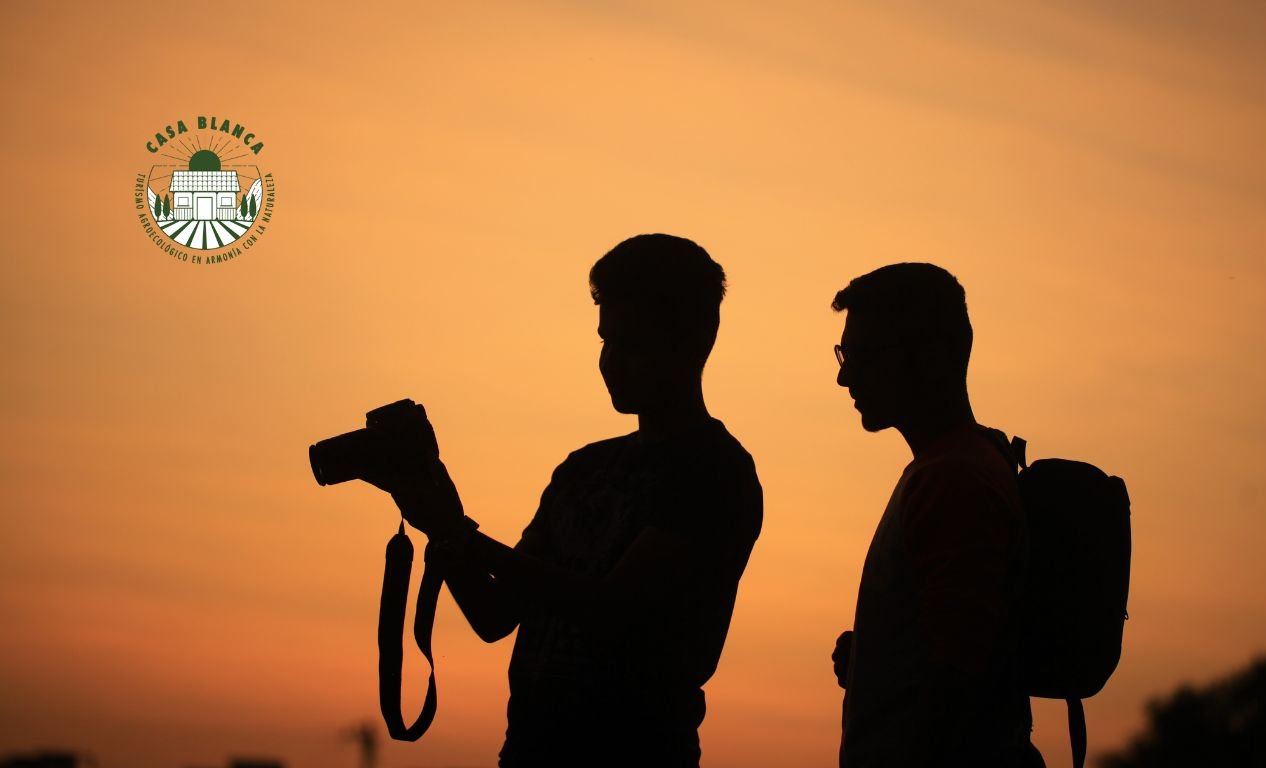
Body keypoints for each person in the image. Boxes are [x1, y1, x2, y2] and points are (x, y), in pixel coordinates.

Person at [363, 234, 763, 767]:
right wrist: (439, 519)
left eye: (632, 343)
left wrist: (461, 536)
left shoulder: (714, 470)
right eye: (606, 341)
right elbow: (495, 614)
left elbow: (611, 608)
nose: (611, 362)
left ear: (693, 340)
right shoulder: (584, 469)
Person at [829, 263, 1042, 767]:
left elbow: (957, 686)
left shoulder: (952, 482)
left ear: (933, 357)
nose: (843, 375)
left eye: (861, 356)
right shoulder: (960, 468)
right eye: (843, 355)